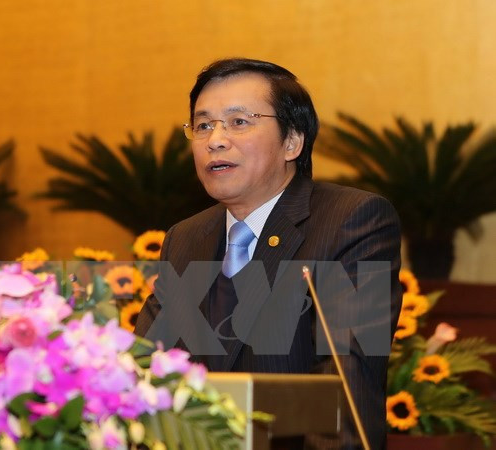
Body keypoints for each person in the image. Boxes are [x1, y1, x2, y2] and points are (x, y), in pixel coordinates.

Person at [135, 58, 402, 449]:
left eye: (239, 121)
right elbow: (147, 370)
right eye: (203, 125)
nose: (215, 140)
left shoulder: (352, 220)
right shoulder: (185, 239)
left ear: (292, 141)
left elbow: (344, 388)